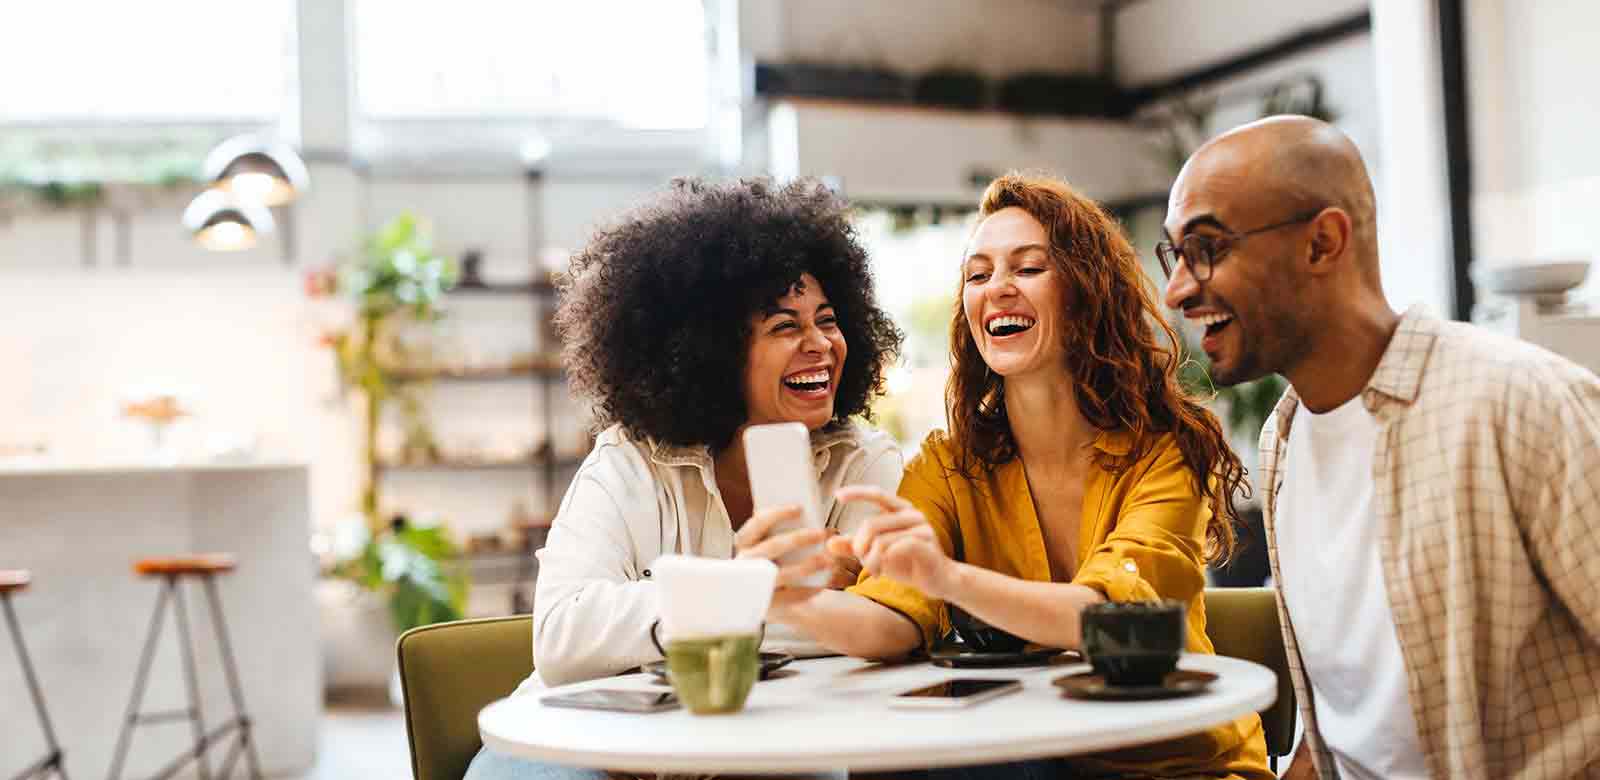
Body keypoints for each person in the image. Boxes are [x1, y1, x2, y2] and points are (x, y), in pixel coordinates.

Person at [742, 172, 1271, 779]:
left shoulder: (1164, 452)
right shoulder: (947, 464)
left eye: (1027, 268)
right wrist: (797, 601)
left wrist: (949, 578)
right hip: (1037, 759)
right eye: (978, 274)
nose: (997, 289)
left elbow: (1105, 622)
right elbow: (891, 619)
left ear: (1085, 293)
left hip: (1178, 764)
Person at [1160, 115, 1600, 779]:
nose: (1177, 290)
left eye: (1207, 248)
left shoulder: (1517, 402)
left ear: (1322, 243)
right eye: (1175, 256)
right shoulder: (1284, 443)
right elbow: (1342, 728)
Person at [463, 177, 905, 780]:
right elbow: (564, 638)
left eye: (826, 320)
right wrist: (760, 590)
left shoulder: (864, 463)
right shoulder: (629, 460)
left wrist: (669, 613)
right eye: (784, 327)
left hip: (773, 745)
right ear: (715, 352)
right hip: (594, 743)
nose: (820, 345)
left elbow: (885, 630)